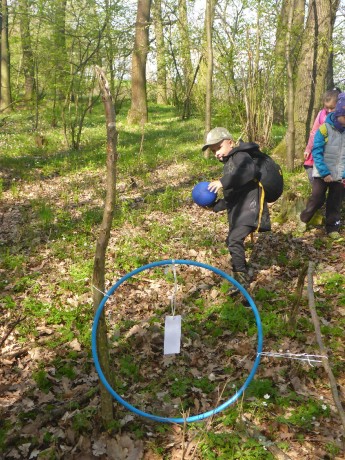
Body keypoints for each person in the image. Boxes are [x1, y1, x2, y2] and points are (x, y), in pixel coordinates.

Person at [202, 127, 271, 290]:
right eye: (213, 151)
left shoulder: (241, 156)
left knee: (234, 240)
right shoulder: (230, 165)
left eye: (218, 148)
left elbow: (249, 171)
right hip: (240, 212)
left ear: (230, 143)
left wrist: (223, 182)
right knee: (232, 241)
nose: (216, 153)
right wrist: (215, 206)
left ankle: (242, 280)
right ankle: (237, 276)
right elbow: (232, 195)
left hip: (250, 210)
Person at [300, 93, 345, 238]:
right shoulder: (325, 128)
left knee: (335, 202)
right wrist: (324, 173)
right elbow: (317, 152)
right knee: (317, 199)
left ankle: (332, 228)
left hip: (339, 175)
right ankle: (304, 219)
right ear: (339, 113)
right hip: (322, 173)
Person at [304, 89, 340, 184]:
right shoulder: (321, 114)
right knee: (312, 170)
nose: (329, 111)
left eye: (332, 108)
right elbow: (313, 132)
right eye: (326, 107)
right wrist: (308, 149)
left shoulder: (341, 117)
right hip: (319, 148)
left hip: (334, 153)